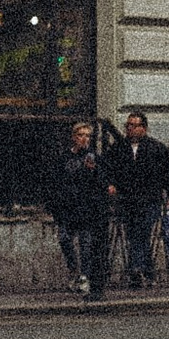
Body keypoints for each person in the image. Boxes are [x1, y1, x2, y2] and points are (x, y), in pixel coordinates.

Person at [106, 107, 169, 290]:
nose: (130, 129)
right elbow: (108, 169)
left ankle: (135, 269)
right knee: (136, 235)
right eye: (128, 125)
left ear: (143, 128)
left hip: (150, 199)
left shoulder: (156, 148)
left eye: (134, 125)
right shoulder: (118, 148)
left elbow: (168, 173)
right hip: (127, 200)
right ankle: (147, 272)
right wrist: (110, 184)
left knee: (142, 231)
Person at [49, 118, 112, 296]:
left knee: (86, 243)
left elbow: (101, 181)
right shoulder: (64, 158)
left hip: (86, 207)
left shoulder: (94, 158)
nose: (84, 139)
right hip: (68, 206)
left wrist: (93, 171)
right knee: (64, 239)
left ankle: (84, 275)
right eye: (81, 135)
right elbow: (56, 181)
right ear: (74, 137)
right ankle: (73, 269)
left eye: (88, 136)